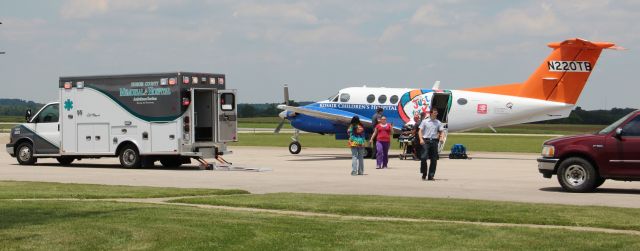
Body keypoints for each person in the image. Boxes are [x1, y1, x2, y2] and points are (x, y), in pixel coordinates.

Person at [418, 108, 444, 180]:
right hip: (426, 141)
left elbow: (441, 131)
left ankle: (431, 175)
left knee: (434, 159)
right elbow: (420, 131)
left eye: (437, 113)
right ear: (431, 113)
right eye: (435, 113)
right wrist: (420, 139)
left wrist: (441, 138)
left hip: (434, 141)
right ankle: (424, 173)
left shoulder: (438, 122)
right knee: (423, 157)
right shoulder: (425, 121)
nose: (436, 114)